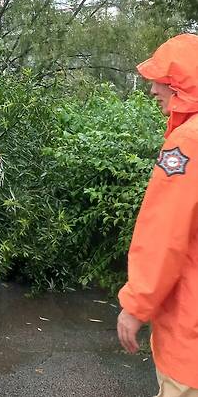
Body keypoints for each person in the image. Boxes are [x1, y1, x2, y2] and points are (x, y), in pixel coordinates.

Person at [118, 33, 198, 396]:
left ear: (182, 86)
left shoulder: (187, 143)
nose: (153, 91)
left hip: (190, 339)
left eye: (161, 82)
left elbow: (164, 233)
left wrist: (136, 304)